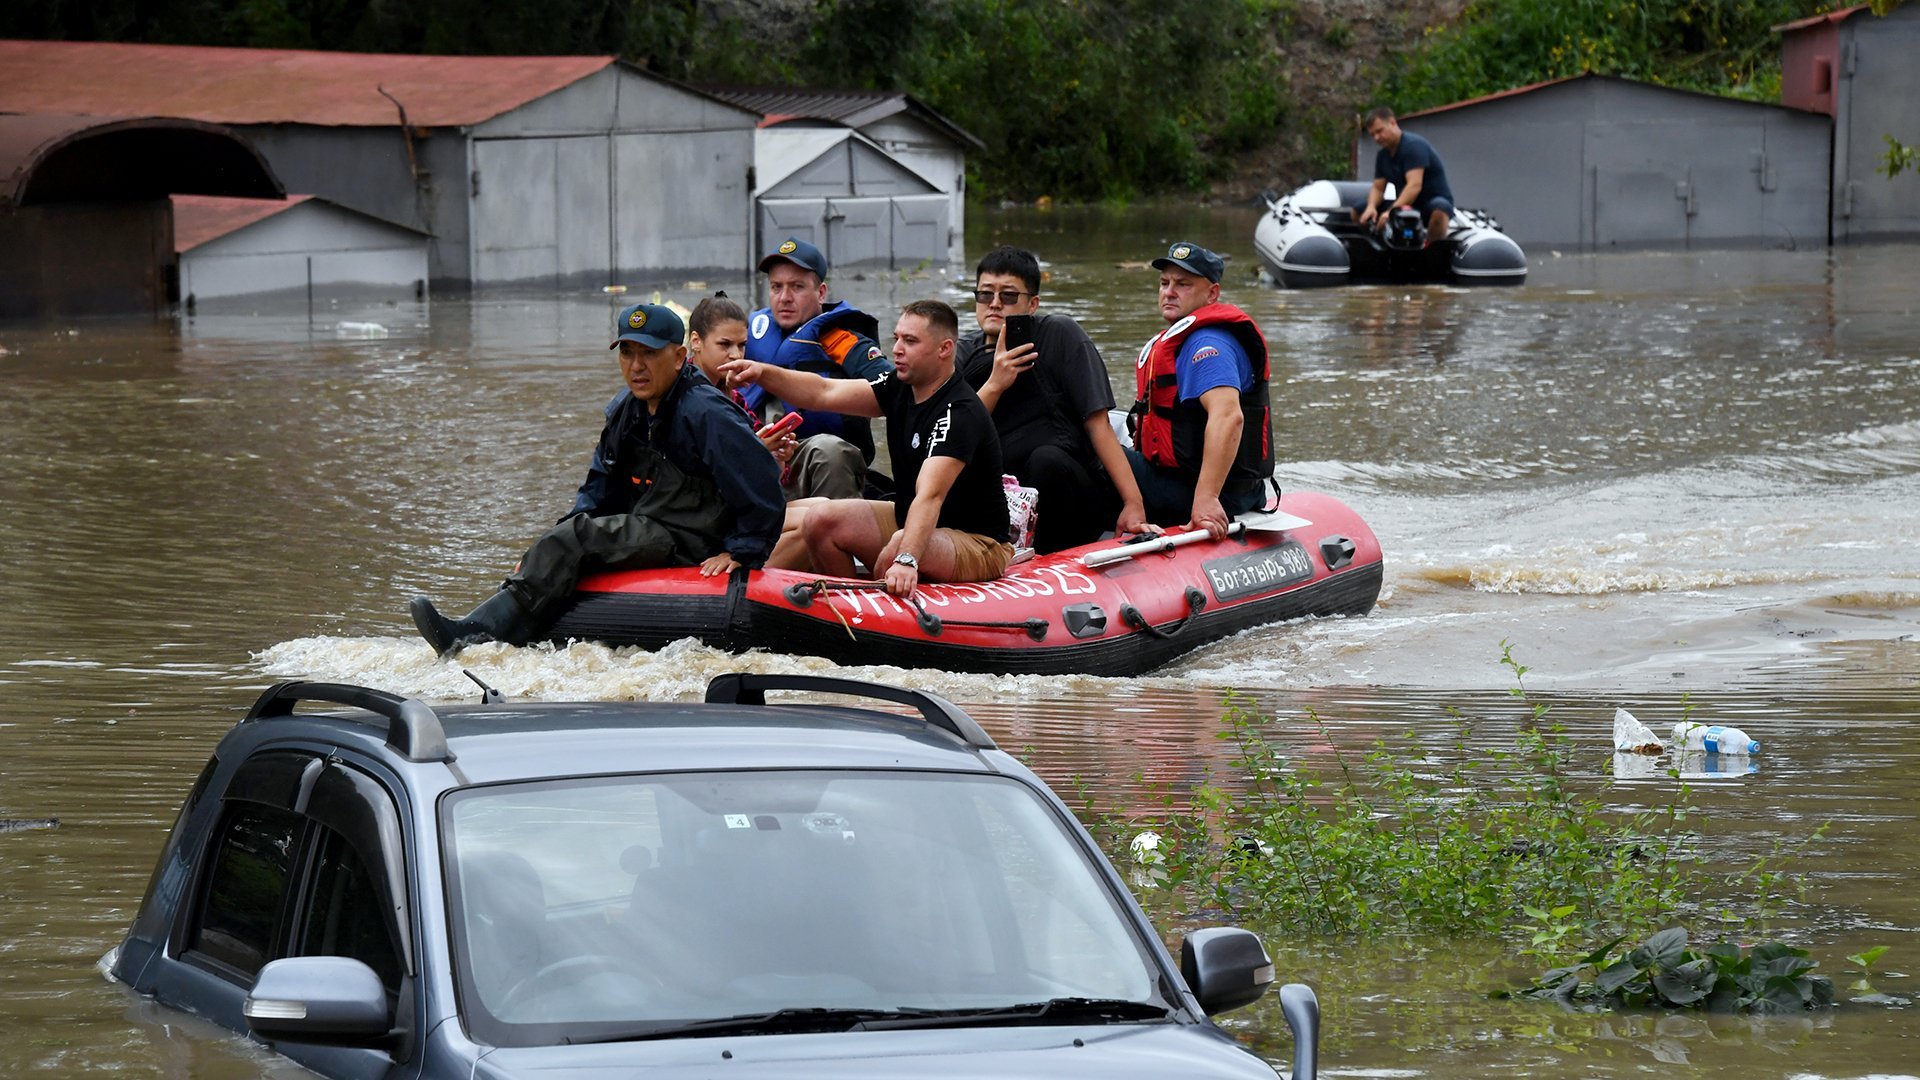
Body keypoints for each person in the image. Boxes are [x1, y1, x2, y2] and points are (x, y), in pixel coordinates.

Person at [408, 303, 784, 655]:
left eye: (649, 353)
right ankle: (505, 619)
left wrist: (742, 551)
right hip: (655, 522)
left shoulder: (705, 411)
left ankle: (473, 638)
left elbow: (761, 479)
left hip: (691, 535)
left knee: (575, 539)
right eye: (627, 353)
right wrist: (553, 543)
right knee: (566, 537)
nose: (636, 366)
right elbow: (599, 484)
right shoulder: (627, 409)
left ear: (679, 356)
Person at [722, 300, 1011, 597]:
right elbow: (823, 392)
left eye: (910, 341)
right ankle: (849, 605)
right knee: (820, 520)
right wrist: (760, 372)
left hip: (978, 541)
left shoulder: (959, 411)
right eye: (896, 338)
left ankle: (879, 606)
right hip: (907, 517)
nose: (897, 349)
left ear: (944, 349)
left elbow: (930, 496)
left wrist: (906, 560)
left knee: (899, 546)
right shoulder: (899, 387)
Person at [956, 245, 1152, 552]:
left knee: (1045, 460)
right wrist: (995, 384)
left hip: (1066, 487)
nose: (994, 304)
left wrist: (1133, 503)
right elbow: (953, 437)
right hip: (1002, 495)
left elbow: (1098, 424)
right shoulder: (963, 353)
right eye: (985, 294)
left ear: (1032, 304)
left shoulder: (1061, 335)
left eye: (1008, 296)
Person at [1125, 242, 1274, 540]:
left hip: (1204, 494)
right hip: (1214, 486)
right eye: (1164, 283)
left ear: (1212, 294)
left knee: (1087, 449)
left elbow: (1229, 416)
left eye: (1183, 284)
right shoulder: (1190, 338)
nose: (1169, 291)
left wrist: (1206, 498)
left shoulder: (1206, 345)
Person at [745, 236, 893, 500]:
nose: (784, 298)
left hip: (821, 464)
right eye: (776, 287)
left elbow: (893, 389)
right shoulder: (746, 334)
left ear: (821, 293)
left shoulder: (843, 341)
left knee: (828, 450)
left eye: (797, 287)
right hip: (757, 459)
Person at [686, 292, 800, 476]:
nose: (736, 355)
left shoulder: (734, 396)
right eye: (725, 344)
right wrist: (756, 449)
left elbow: (771, 476)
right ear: (696, 341)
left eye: (741, 345)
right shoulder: (682, 395)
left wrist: (777, 454)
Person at [1356, 106, 1454, 243]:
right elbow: (1378, 187)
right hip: (1406, 204)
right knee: (1357, 210)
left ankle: (1432, 253)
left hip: (1428, 203)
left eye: (1379, 131)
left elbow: (1414, 186)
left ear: (1392, 123)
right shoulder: (1382, 155)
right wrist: (1371, 206)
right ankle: (1374, 247)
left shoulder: (1413, 146)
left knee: (1440, 209)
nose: (1377, 138)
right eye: (1373, 135)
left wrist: (1391, 212)